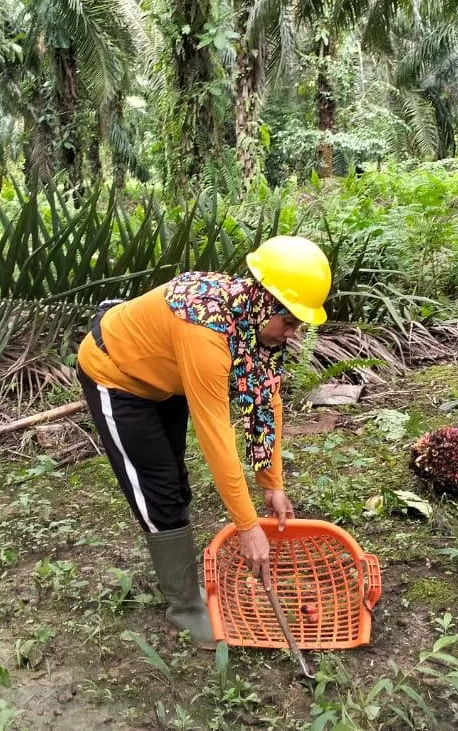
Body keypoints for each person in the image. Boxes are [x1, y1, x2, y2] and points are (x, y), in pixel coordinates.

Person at [75, 235, 332, 648]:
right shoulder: (206, 332)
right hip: (117, 375)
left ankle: (179, 567)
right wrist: (247, 526)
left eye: (298, 324)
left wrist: (273, 484)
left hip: (166, 378)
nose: (291, 333)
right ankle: (184, 607)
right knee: (158, 486)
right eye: (288, 322)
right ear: (264, 301)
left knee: (175, 479)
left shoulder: (255, 326)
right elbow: (216, 435)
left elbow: (268, 401)